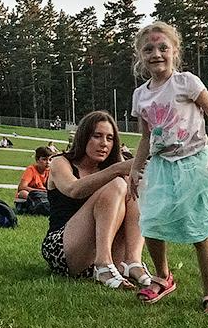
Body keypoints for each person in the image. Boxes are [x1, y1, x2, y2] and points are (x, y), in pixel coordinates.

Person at [128, 21, 208, 315]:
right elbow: (146, 137)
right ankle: (163, 276)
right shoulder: (140, 95)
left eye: (162, 48)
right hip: (160, 167)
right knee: (152, 223)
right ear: (140, 56)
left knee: (199, 229)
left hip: (194, 163)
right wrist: (135, 168)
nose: (156, 54)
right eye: (149, 49)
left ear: (174, 51)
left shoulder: (187, 83)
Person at [42, 110, 149, 290]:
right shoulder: (61, 162)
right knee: (117, 184)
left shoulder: (109, 168)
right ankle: (103, 264)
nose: (104, 144)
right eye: (97, 136)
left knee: (132, 189)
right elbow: (73, 189)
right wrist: (117, 169)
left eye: (110, 138)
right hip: (64, 249)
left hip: (104, 249)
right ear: (83, 137)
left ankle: (132, 261)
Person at [17, 146, 52, 215]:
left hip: (44, 195)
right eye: (44, 159)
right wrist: (39, 191)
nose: (48, 162)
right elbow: (21, 187)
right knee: (23, 193)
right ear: (37, 160)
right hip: (33, 195)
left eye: (50, 160)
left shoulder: (50, 171)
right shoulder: (31, 170)